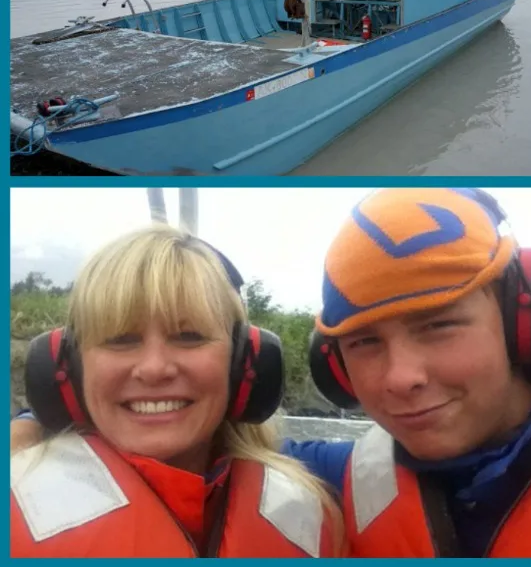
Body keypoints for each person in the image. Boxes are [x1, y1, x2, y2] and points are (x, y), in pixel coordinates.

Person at [10, 225, 346, 558]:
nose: (154, 368)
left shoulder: (311, 520)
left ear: (245, 362)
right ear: (69, 366)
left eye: (189, 337)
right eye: (120, 340)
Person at [288, 187, 531, 558]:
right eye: (364, 342)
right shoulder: (344, 476)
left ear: (522, 323)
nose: (400, 377)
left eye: (438, 326)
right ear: (334, 366)